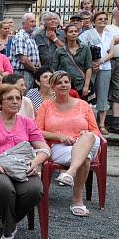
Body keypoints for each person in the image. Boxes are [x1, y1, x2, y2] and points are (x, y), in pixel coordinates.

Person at [0, 84, 49, 239]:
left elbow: (44, 149)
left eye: (18, 98)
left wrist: (36, 162)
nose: (15, 102)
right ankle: (9, 229)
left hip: (22, 168)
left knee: (35, 190)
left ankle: (5, 223)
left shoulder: (27, 122)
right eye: (10, 98)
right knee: (4, 188)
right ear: (0, 103)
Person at [36, 72, 101, 217]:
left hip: (88, 143)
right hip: (60, 147)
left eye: (66, 82)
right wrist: (59, 136)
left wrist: (83, 136)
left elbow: (96, 131)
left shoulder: (83, 105)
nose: (63, 85)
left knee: (89, 136)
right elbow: (37, 131)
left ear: (70, 84)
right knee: (85, 158)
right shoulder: (45, 106)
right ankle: (77, 200)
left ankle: (70, 172)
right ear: (52, 87)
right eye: (59, 83)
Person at [80, 11, 118, 134]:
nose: (103, 20)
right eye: (100, 19)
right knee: (88, 95)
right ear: (94, 21)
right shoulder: (87, 34)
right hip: (91, 68)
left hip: (105, 67)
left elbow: (111, 53)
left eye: (105, 19)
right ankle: (86, 123)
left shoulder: (109, 35)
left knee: (103, 95)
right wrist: (91, 64)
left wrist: (100, 62)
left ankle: (101, 124)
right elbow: (83, 50)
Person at [52, 23, 92, 98]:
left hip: (80, 84)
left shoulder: (85, 49)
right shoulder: (59, 51)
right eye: (71, 32)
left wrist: (86, 86)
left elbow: (88, 67)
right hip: (64, 85)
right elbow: (54, 69)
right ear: (66, 35)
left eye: (75, 31)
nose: (74, 33)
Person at [9, 12, 40, 88]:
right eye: (31, 22)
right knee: (23, 94)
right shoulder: (21, 37)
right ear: (24, 24)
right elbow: (23, 60)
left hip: (29, 71)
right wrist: (35, 70)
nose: (34, 24)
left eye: (35, 21)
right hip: (22, 72)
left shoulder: (30, 37)